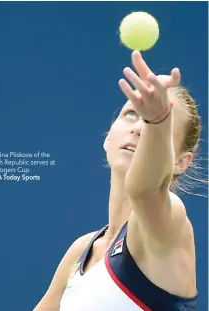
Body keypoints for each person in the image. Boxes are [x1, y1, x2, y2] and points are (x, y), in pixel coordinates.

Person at [33, 51, 199, 311]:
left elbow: (144, 190)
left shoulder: (170, 222)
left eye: (156, 123)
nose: (138, 127)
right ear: (107, 138)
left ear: (181, 162)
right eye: (132, 113)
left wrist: (159, 121)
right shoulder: (81, 252)